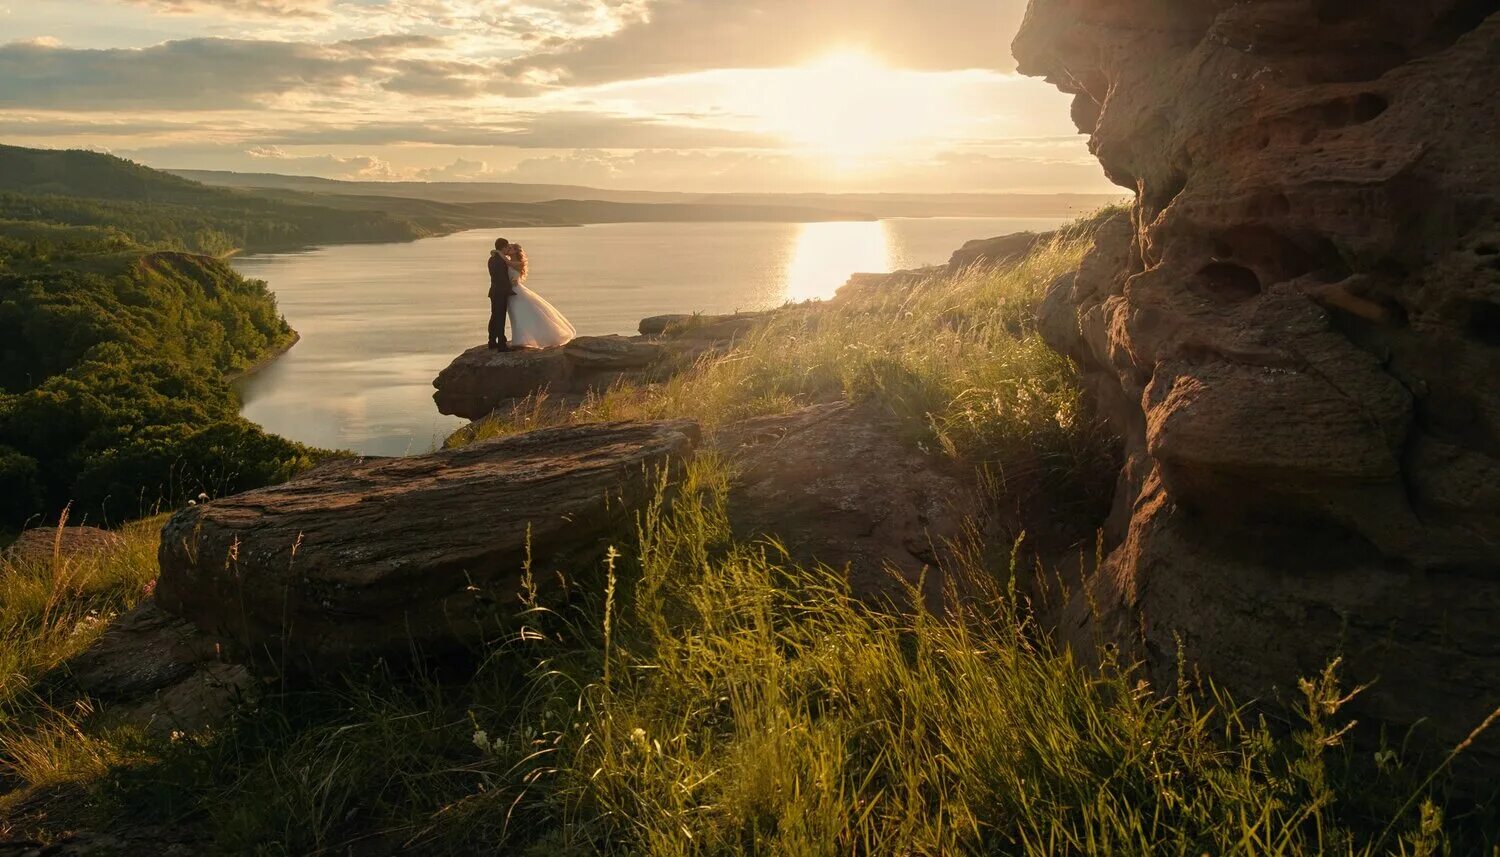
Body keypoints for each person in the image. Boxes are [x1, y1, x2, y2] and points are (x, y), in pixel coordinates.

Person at [499, 243, 576, 349]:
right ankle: (519, 338)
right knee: (515, 314)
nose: (508, 249)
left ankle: (527, 339)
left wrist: (498, 252)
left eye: (511, 248)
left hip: (517, 292)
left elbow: (507, 262)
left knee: (520, 314)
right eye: (508, 247)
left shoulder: (519, 263)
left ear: (516, 251)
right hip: (511, 291)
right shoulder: (508, 261)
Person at [487, 237, 514, 351]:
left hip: (494, 291)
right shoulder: (500, 261)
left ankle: (492, 341)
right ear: (503, 247)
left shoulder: (491, 259)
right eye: (507, 246)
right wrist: (509, 290)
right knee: (500, 318)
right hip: (500, 292)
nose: (508, 248)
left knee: (494, 317)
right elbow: (502, 278)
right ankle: (502, 344)